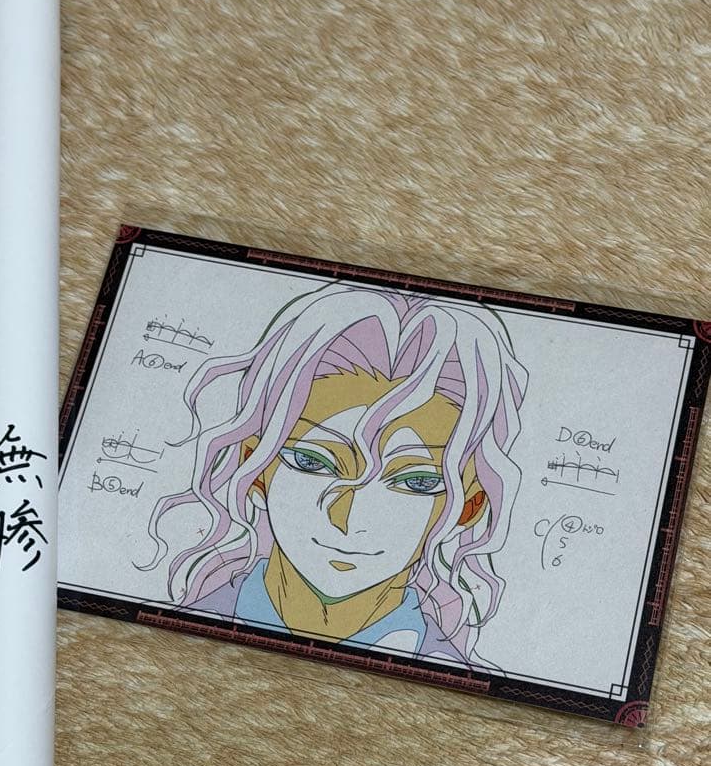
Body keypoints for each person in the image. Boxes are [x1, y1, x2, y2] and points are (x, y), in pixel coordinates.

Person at [141, 283, 528, 667]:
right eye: (312, 462)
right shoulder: (164, 641)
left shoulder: (453, 675)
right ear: (255, 466)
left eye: (416, 482)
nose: (350, 519)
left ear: (470, 506)